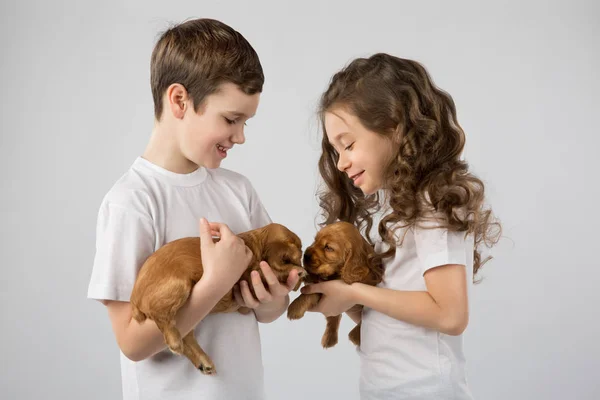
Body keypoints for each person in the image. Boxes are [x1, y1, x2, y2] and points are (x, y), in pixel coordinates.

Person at [86, 18, 299, 400]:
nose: (241, 136)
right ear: (180, 101)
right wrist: (215, 283)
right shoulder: (132, 201)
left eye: (246, 122)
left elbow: (271, 310)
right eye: (231, 119)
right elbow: (132, 342)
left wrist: (271, 300)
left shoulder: (239, 190)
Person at [302, 53, 501, 399]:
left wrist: (353, 293)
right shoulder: (395, 209)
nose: (342, 162)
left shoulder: (433, 204)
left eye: (348, 145)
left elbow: (450, 314)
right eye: (335, 152)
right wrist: (343, 302)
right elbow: (391, 321)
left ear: (395, 128)